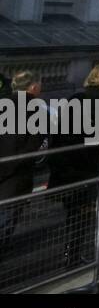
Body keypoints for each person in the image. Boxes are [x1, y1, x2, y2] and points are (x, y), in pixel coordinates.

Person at [47, 63, 99, 266]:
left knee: (74, 214)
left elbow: (60, 134)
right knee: (96, 214)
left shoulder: (77, 98)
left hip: (71, 167)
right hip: (93, 168)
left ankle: (71, 254)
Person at [0, 71, 48, 251]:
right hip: (16, 175)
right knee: (6, 219)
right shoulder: (37, 109)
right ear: (33, 87)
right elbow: (37, 144)